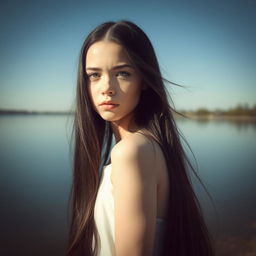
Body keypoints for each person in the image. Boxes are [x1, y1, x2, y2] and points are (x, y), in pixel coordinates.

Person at [66, 20, 214, 256]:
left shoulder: (131, 152)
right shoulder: (151, 146)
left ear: (144, 80)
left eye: (122, 73)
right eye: (94, 75)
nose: (107, 87)